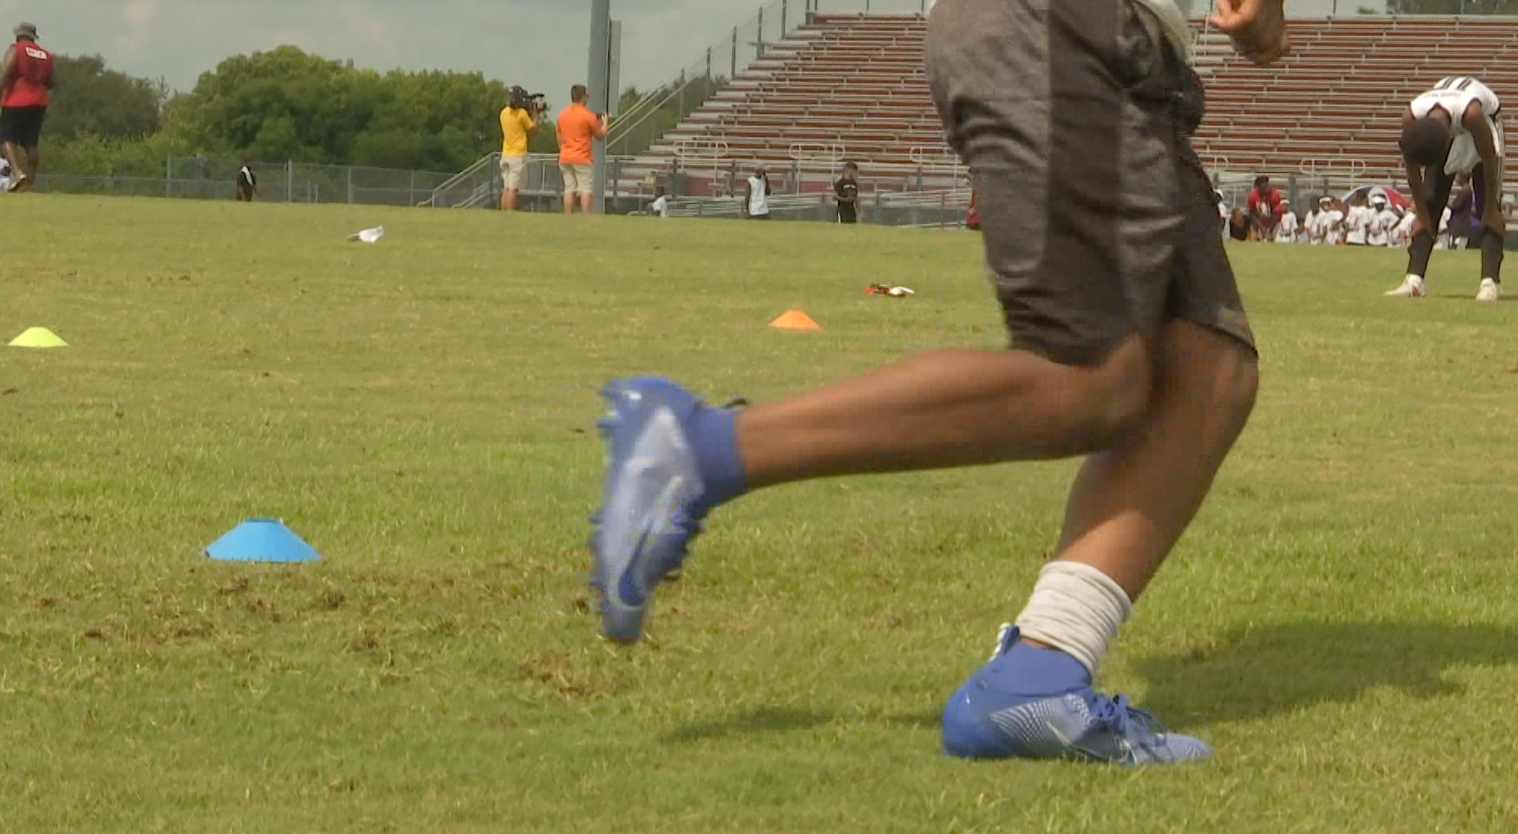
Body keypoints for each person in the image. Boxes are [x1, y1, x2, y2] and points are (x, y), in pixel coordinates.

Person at [588, 0, 1286, 766]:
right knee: (1088, 377)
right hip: (1060, 23)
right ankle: (703, 448)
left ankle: (1039, 673)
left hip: (1118, 41)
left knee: (1207, 367)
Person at [1385, 76, 1505, 302]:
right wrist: (1421, 212)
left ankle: (1490, 282)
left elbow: (1489, 159)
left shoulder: (1472, 113)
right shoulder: (1411, 117)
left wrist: (1490, 206)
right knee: (1431, 201)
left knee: (1487, 204)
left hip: (1485, 125)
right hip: (1449, 123)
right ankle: (1414, 279)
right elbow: (1412, 168)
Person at [0, 22, 54, 193]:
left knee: (7, 139)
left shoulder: (16, 49)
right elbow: (53, 81)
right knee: (31, 142)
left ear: (18, 35)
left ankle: (17, 173)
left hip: (16, 99)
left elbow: (7, 73)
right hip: (39, 102)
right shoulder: (46, 55)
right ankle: (30, 182)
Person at [556, 84, 608, 216]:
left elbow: (559, 137)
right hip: (582, 157)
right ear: (583, 97)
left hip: (565, 156)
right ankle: (586, 216)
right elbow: (600, 136)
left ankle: (568, 215)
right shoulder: (588, 115)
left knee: (569, 189)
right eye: (587, 96)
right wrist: (605, 123)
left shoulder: (562, 115)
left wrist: (564, 150)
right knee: (585, 188)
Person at [499, 86, 540, 212]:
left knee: (506, 188)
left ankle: (503, 212)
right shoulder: (521, 114)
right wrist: (536, 113)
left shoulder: (503, 113)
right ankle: (510, 213)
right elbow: (533, 128)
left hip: (506, 153)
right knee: (513, 188)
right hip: (517, 155)